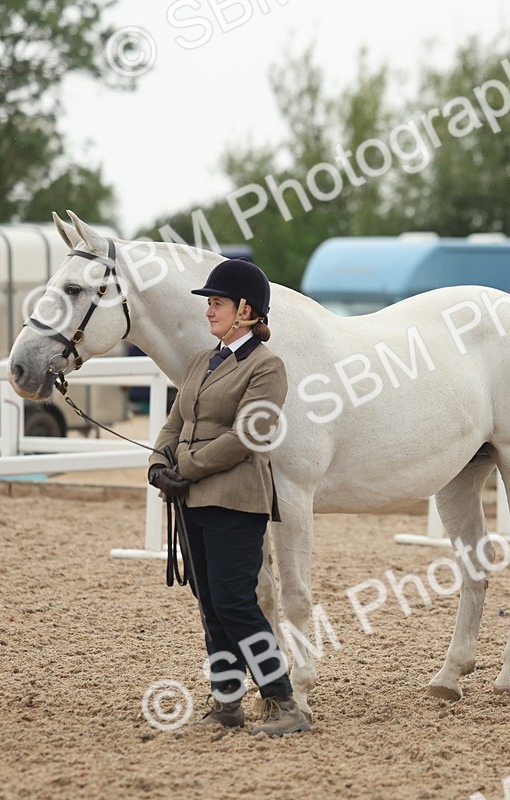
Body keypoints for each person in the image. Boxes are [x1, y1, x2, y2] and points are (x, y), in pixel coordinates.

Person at [147, 258, 309, 737]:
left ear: (245, 310)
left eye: (216, 303)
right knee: (212, 604)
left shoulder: (267, 367)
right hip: (193, 499)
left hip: (237, 500)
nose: (208, 311)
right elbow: (177, 421)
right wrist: (159, 462)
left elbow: (249, 435)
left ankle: (283, 702)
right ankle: (226, 702)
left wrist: (187, 467)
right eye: (210, 303)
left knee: (237, 603)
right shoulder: (201, 361)